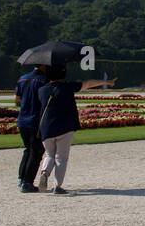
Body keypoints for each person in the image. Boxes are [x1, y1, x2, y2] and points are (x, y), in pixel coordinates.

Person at [35, 64, 112, 194]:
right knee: (61, 158)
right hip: (64, 127)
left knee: (49, 154)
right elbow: (88, 83)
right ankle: (57, 186)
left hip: (46, 127)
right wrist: (105, 82)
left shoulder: (41, 90)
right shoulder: (67, 87)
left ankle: (44, 172)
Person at [14, 64, 49, 192]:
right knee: (37, 151)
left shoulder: (22, 78)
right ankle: (27, 182)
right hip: (35, 120)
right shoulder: (44, 80)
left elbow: (17, 99)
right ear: (43, 65)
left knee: (28, 149)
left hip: (22, 119)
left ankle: (21, 178)